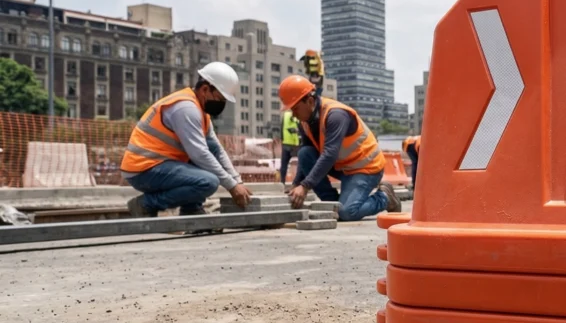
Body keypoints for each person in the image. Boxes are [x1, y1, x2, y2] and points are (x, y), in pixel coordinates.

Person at [121, 62, 252, 217]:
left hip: (160, 165)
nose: (221, 104)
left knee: (208, 158)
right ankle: (145, 204)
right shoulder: (186, 109)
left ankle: (192, 210)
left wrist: (237, 181)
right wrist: (232, 186)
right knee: (208, 182)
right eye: (220, 98)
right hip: (143, 169)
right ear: (205, 89)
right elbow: (200, 154)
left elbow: (216, 149)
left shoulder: (200, 111)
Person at [278, 75, 401, 220]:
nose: (294, 114)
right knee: (305, 153)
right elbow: (306, 155)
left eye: (296, 109)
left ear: (310, 101)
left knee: (347, 212)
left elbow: (329, 154)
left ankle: (385, 198)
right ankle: (332, 202)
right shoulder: (304, 121)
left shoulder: (335, 115)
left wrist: (305, 186)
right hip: (342, 167)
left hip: (365, 167)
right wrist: (296, 184)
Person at [280, 109, 300, 185]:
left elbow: (282, 129)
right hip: (296, 143)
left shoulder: (285, 116)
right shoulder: (297, 114)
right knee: (301, 164)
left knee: (284, 164)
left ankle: (282, 182)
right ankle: (298, 183)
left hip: (286, 143)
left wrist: (282, 140)